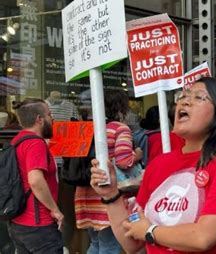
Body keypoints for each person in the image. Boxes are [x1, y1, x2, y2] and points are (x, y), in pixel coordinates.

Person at [90, 78, 216, 253]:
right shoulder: (159, 164)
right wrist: (111, 195)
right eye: (184, 95)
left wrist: (150, 231)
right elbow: (131, 242)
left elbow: (203, 237)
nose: (185, 101)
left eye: (199, 97)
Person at [75, 90, 142, 254]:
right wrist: (137, 155)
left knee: (96, 244)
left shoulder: (84, 129)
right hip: (107, 197)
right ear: (120, 108)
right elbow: (123, 161)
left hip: (84, 195)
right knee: (110, 246)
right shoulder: (119, 129)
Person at [7, 98, 64, 253]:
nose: (52, 119)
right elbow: (36, 180)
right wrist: (55, 210)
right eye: (49, 114)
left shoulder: (17, 141)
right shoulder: (35, 143)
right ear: (39, 119)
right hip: (39, 225)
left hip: (18, 222)